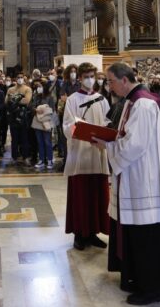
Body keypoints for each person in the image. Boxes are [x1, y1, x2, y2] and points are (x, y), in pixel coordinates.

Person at [91, 63, 160, 305]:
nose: (109, 86)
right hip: (134, 175)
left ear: (124, 80)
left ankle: (152, 290)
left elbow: (135, 145)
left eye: (110, 81)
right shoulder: (132, 101)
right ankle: (139, 281)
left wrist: (107, 146)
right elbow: (127, 137)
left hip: (144, 180)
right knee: (136, 235)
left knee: (146, 237)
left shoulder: (143, 104)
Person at [62, 62, 112, 250]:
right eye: (86, 76)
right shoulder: (73, 99)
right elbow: (67, 126)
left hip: (98, 152)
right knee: (80, 195)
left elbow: (108, 121)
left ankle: (93, 232)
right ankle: (79, 234)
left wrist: (104, 132)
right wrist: (81, 129)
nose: (90, 80)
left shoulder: (102, 99)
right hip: (80, 153)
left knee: (97, 195)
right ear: (80, 78)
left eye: (93, 75)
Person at [31, 84, 57, 169]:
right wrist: (35, 109)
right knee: (40, 142)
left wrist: (43, 110)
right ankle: (41, 160)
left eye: (40, 86)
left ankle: (49, 160)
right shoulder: (36, 96)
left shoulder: (50, 97)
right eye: (37, 87)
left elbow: (52, 109)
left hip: (47, 121)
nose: (38, 88)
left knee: (47, 142)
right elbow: (31, 106)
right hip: (37, 121)